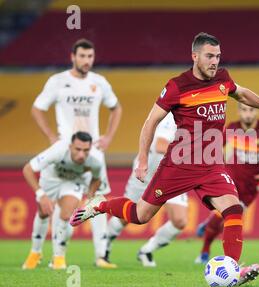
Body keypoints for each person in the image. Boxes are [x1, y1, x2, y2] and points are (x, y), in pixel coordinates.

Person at [71, 32, 259, 285]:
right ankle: (100, 205)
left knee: (233, 209)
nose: (215, 61)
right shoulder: (177, 86)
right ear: (195, 56)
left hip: (211, 164)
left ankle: (233, 270)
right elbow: (150, 123)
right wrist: (144, 159)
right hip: (179, 164)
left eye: (218, 56)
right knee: (139, 215)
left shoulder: (222, 78)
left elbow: (242, 94)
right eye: (210, 56)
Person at [30, 38, 122, 268]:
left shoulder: (99, 82)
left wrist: (109, 136)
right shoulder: (58, 81)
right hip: (64, 150)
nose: (86, 61)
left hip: (93, 151)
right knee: (54, 206)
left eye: (90, 57)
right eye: (82, 56)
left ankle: (101, 255)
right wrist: (51, 136)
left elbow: (116, 108)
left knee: (97, 200)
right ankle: (46, 253)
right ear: (73, 57)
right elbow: (37, 108)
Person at [195, 102, 259, 263]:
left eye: (251, 110)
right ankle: (205, 252)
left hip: (250, 187)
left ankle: (207, 231)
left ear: (256, 112)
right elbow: (216, 147)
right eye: (244, 110)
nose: (248, 114)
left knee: (225, 221)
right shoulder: (231, 128)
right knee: (222, 216)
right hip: (230, 181)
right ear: (239, 112)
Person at [105, 112, 189, 267]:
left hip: (172, 175)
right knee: (128, 215)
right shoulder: (172, 116)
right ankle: (105, 245)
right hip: (146, 172)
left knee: (180, 220)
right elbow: (160, 145)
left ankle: (146, 251)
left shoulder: (201, 119)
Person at [22, 132, 102, 269]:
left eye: (86, 150)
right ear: (70, 146)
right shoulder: (57, 151)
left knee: (65, 215)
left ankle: (58, 256)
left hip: (73, 182)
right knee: (43, 213)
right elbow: (27, 169)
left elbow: (97, 178)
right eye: (78, 149)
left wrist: (90, 195)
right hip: (51, 178)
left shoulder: (95, 160)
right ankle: (35, 252)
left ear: (90, 149)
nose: (82, 154)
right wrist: (41, 195)